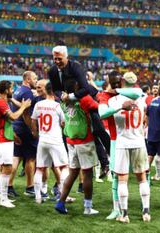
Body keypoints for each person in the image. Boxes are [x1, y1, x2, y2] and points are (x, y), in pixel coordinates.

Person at [48, 44, 110, 178]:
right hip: (70, 103)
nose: (57, 61)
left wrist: (70, 96)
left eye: (60, 59)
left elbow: (85, 88)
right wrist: (62, 96)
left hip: (86, 98)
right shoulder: (52, 71)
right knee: (87, 133)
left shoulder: (75, 67)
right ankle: (103, 163)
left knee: (98, 129)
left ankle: (111, 156)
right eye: (55, 59)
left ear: (66, 57)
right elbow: (56, 89)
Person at [97, 71, 145, 220]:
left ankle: (145, 208)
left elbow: (139, 92)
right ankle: (116, 208)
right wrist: (120, 106)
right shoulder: (104, 96)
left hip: (132, 138)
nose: (117, 84)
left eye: (119, 82)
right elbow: (102, 114)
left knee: (142, 173)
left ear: (122, 82)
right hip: (115, 138)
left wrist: (117, 91)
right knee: (117, 174)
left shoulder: (128, 92)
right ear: (109, 82)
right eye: (114, 82)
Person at [108, 72, 150, 223]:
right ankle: (146, 212)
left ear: (122, 80)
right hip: (139, 141)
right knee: (142, 178)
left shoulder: (114, 100)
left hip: (122, 142)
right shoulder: (142, 99)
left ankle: (124, 214)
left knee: (122, 180)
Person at [55, 79, 98, 215]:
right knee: (87, 174)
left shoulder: (63, 100)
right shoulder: (84, 99)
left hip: (71, 139)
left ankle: (61, 202)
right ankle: (87, 208)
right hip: (84, 140)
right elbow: (99, 108)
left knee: (73, 172)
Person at [0, 80, 31, 208]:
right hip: (2, 140)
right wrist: (23, 107)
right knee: (7, 168)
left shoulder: (1, 101)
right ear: (7, 90)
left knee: (3, 168)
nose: (13, 91)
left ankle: (1, 197)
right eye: (12, 88)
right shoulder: (0, 102)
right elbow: (12, 117)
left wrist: (14, 136)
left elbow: (5, 122)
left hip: (5, 137)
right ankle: (3, 198)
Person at [31, 81, 69, 204]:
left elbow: (33, 120)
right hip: (56, 140)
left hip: (42, 140)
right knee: (64, 167)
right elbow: (63, 123)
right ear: (53, 91)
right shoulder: (57, 106)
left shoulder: (38, 104)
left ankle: (38, 197)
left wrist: (36, 133)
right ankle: (63, 196)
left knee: (40, 168)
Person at [8, 71, 38, 197]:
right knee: (30, 158)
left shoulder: (18, 90)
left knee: (16, 157)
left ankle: (8, 186)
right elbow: (26, 113)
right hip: (25, 128)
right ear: (28, 79)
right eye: (34, 78)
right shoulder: (27, 92)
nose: (36, 81)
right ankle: (30, 187)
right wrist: (32, 129)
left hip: (16, 127)